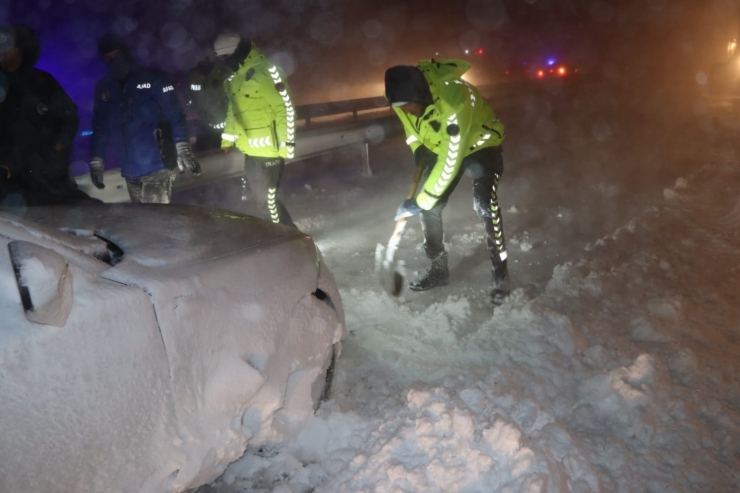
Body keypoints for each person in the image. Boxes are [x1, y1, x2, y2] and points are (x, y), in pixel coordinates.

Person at [385, 59, 510, 305]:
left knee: (484, 204)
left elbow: (451, 159)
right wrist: (418, 146)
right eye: (401, 106)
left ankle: (500, 273)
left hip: (480, 143)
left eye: (410, 105)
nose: (406, 110)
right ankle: (439, 269)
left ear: (421, 94)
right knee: (431, 207)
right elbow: (410, 128)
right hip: (443, 145)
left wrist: (419, 201)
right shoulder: (400, 96)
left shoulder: (454, 99)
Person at [90, 33, 202, 204]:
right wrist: (97, 160)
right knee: (144, 224)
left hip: (158, 165)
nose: (113, 60)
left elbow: (175, 113)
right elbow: (100, 125)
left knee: (155, 223)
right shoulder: (105, 88)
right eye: (108, 57)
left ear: (125, 52)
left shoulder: (154, 78)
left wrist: (182, 147)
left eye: (116, 54)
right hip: (130, 171)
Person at [0, 24, 95, 208]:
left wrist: (59, 146)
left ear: (21, 51)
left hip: (50, 176)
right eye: (1, 52)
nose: (5, 57)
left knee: (79, 215)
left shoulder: (44, 82)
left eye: (10, 51)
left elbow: (69, 116)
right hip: (10, 183)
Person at [216, 31, 296, 227]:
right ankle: (286, 236)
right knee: (264, 201)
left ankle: (286, 238)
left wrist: (287, 145)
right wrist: (227, 139)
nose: (224, 62)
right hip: (250, 150)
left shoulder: (266, 70)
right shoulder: (234, 78)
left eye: (226, 57)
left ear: (236, 52)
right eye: (221, 58)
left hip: (270, 152)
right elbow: (232, 111)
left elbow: (285, 108)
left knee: (268, 202)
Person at [186, 56, 230, 151]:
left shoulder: (222, 72)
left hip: (227, 127)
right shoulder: (193, 76)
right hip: (206, 127)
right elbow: (190, 97)